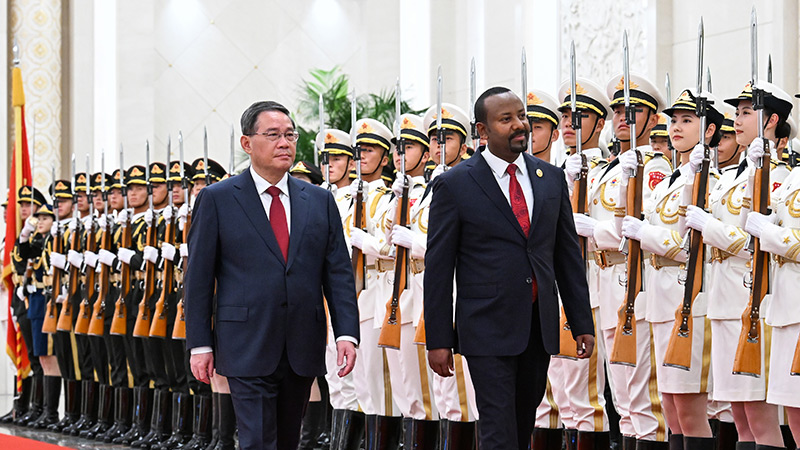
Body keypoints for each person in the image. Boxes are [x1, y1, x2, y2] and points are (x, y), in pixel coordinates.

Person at [424, 86, 595, 450]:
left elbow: (565, 256)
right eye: (506, 119)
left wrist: (581, 322)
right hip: (485, 327)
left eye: (521, 116)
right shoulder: (454, 185)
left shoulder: (549, 179)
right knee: (498, 428)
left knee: (521, 424)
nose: (520, 125)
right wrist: (438, 339)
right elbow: (438, 269)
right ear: (482, 131)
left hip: (537, 326)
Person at [185, 100, 360, 450]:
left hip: (301, 341)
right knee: (258, 440)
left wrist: (347, 334)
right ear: (247, 143)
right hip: (245, 342)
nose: (284, 143)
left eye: (290, 135)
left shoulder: (318, 200)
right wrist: (200, 344)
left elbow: (337, 272)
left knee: (286, 440)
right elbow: (199, 278)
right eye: (273, 135)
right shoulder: (218, 199)